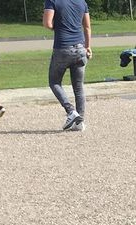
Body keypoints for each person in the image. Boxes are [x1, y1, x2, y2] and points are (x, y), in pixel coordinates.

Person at [44, 0, 92, 131]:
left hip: (63, 48)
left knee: (54, 82)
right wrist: (88, 47)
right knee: (78, 87)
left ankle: (71, 111)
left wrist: (59, 27)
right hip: (81, 48)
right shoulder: (82, 2)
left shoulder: (52, 1)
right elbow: (87, 27)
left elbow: (47, 23)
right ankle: (79, 122)